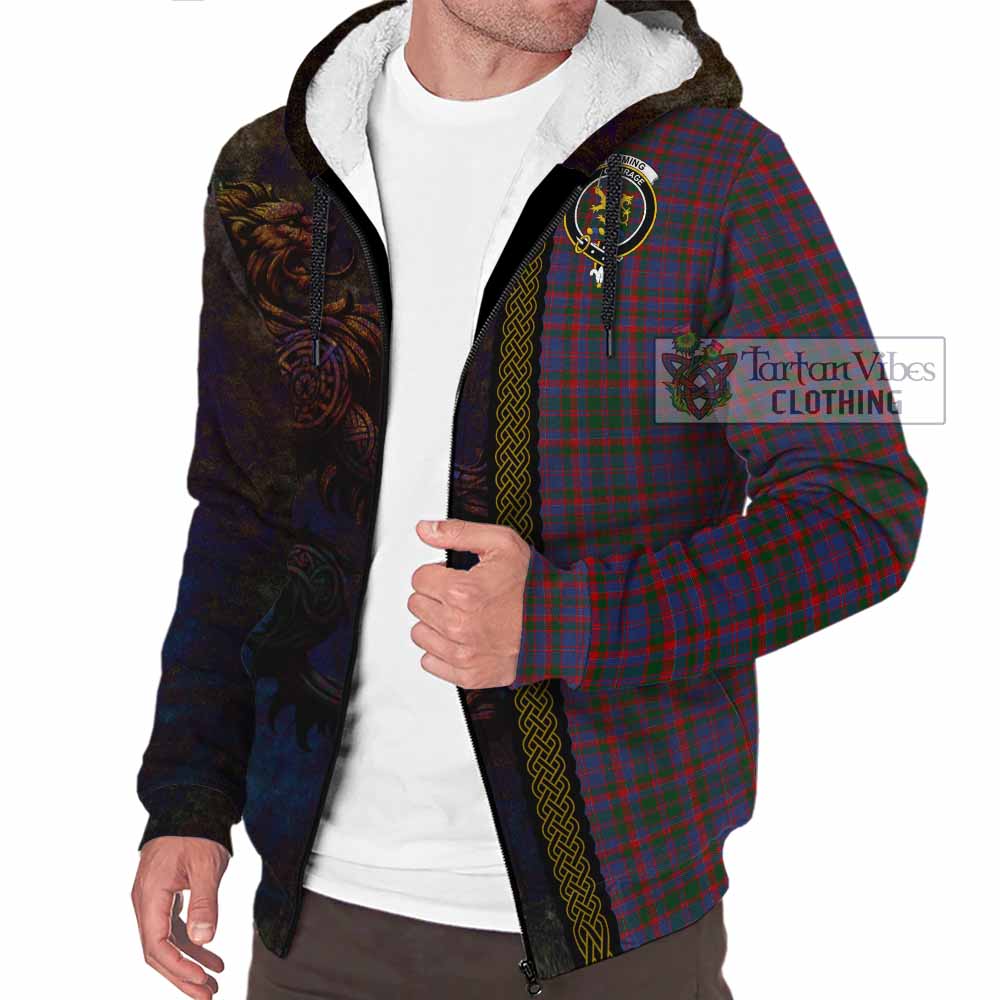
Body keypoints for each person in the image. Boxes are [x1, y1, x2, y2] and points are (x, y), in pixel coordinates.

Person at [131, 1, 928, 997]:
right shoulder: (278, 175)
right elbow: (245, 511)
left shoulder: (715, 174)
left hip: (608, 930)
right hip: (317, 918)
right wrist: (191, 793)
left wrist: (574, 620)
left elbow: (859, 506)